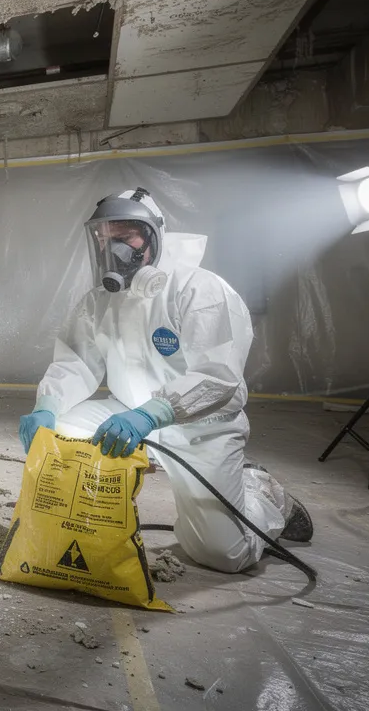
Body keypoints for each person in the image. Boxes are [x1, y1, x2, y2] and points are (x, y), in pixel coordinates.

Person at [19, 188, 312, 575]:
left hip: (201, 428)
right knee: (63, 427)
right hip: (131, 412)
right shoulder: (100, 301)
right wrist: (47, 406)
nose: (114, 250)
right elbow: (75, 362)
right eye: (105, 240)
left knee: (223, 553)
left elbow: (217, 375)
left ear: (154, 236)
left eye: (126, 238)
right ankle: (94, 519)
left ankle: (263, 493)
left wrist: (154, 413)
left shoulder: (199, 290)